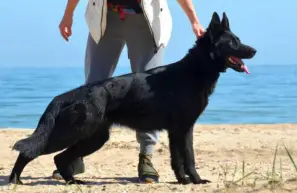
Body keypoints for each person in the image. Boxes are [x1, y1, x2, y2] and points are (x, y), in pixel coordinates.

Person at [53, 0, 205, 183]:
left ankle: (146, 157)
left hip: (146, 20)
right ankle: (75, 157)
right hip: (106, 18)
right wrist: (68, 14)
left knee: (151, 93)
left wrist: (194, 19)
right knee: (92, 89)